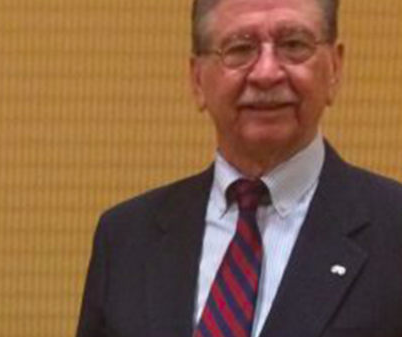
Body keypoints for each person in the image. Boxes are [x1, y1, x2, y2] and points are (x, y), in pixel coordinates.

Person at [75, 0, 402, 336]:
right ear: (197, 79)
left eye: (294, 45)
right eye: (240, 48)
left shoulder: (394, 230)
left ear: (334, 67)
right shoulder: (126, 238)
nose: (266, 73)